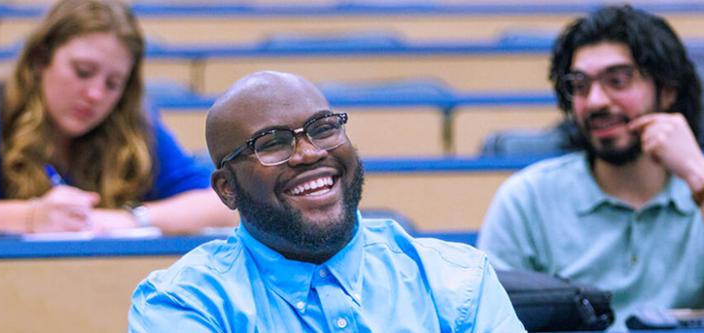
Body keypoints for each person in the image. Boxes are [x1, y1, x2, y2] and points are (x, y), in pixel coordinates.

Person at [128, 71, 525, 332]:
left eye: (322, 128)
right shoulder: (184, 303)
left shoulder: (457, 282)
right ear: (226, 188)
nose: (309, 153)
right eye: (271, 143)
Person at [477, 5, 704, 330]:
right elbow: (490, 322)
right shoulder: (526, 200)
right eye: (580, 84)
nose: (595, 101)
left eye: (618, 80)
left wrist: (699, 173)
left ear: (667, 91)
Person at [0, 0, 235, 235]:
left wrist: (130, 219)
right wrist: (30, 217)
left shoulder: (134, 125)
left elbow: (221, 204)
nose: (95, 94)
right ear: (40, 59)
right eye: (82, 72)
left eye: (113, 84)